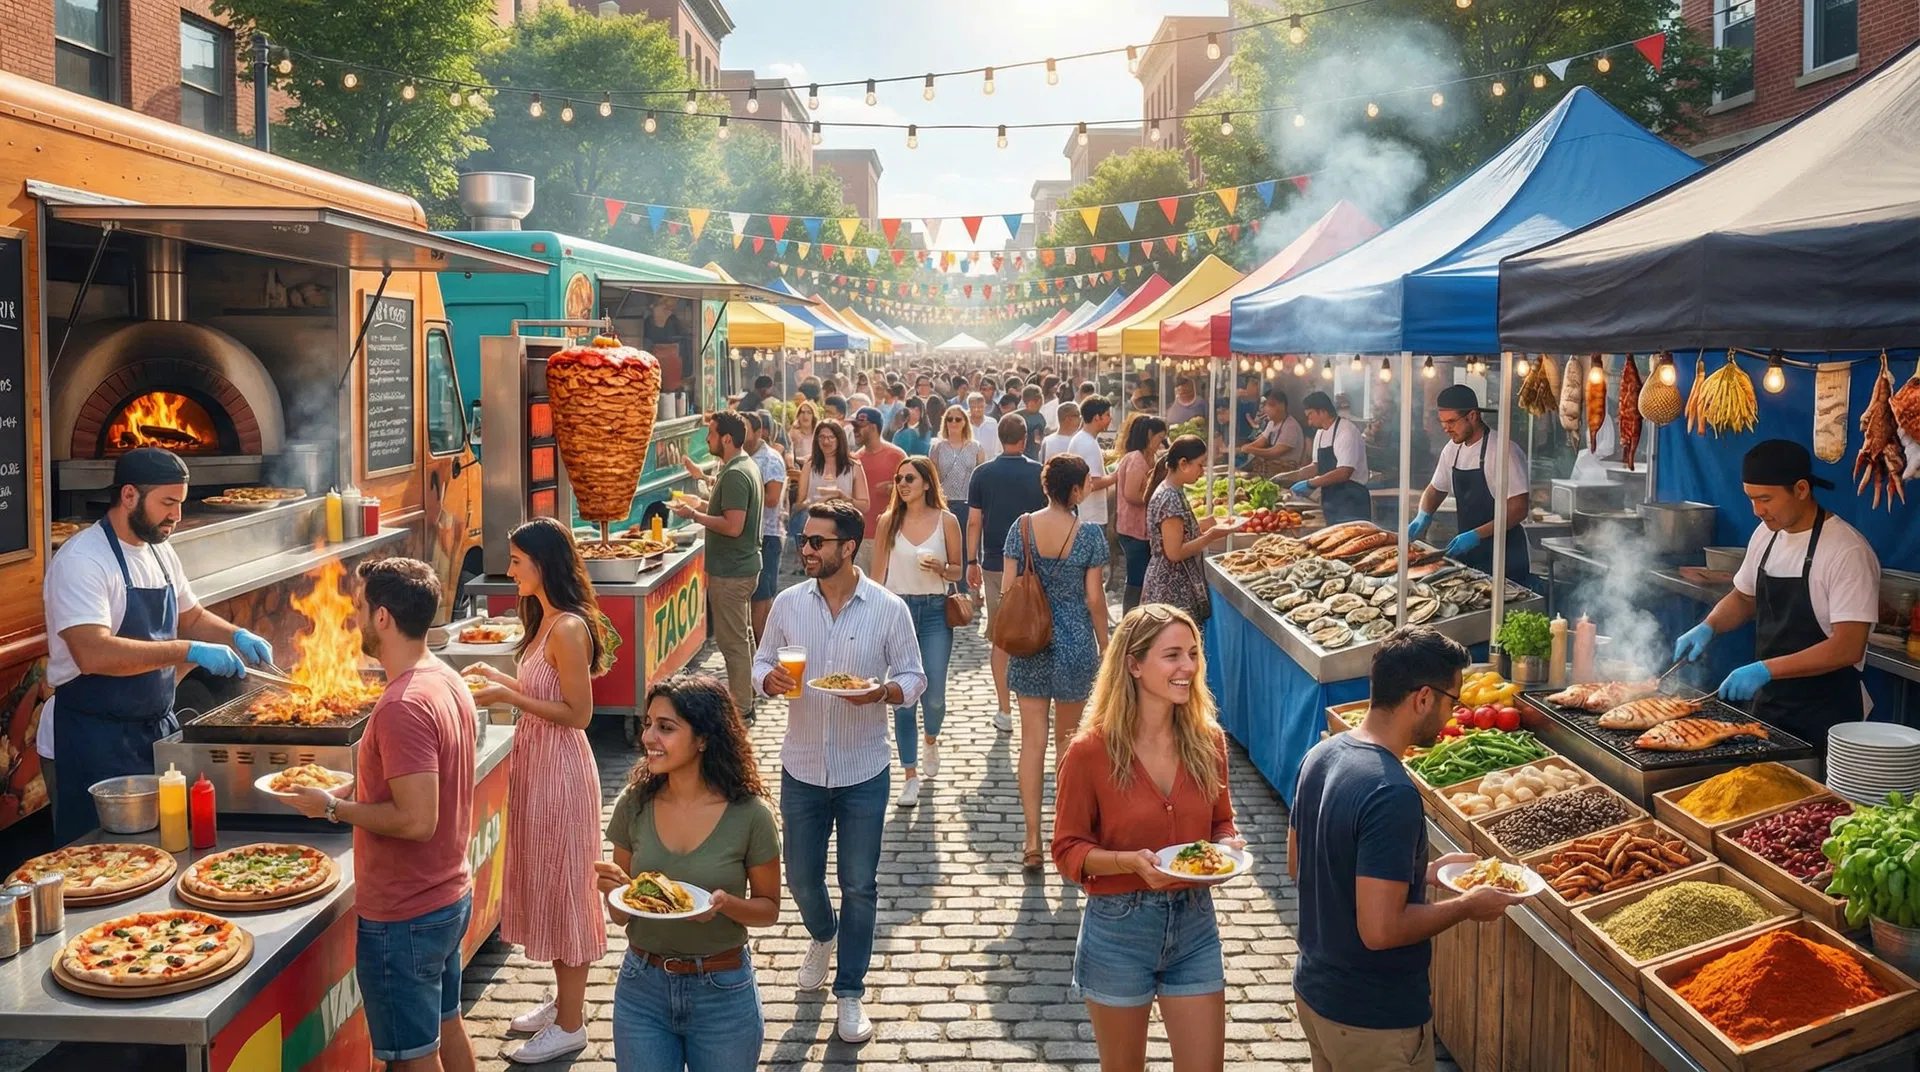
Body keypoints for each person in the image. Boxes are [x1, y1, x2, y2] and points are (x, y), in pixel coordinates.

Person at [1291, 626, 1524, 1071]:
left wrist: (1420, 873)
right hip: (1372, 1021)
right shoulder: (1391, 791)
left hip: (1316, 996)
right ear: (1422, 698)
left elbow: (1299, 863)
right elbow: (1380, 930)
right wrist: (1468, 906)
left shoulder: (1322, 754)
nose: (1453, 711)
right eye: (1452, 701)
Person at [285, 559, 478, 1072]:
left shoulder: (402, 704)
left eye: (363, 607)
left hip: (406, 913)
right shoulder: (445, 679)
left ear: (386, 618)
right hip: (447, 894)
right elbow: (430, 777)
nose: (355, 618)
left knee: (411, 1061)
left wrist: (331, 807)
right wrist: (359, 785)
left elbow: (418, 820)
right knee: (447, 1024)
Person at [752, 500, 926, 1044]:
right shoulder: (787, 604)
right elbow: (761, 662)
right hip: (801, 766)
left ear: (848, 548)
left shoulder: (888, 608)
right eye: (804, 540)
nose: (805, 549)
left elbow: (914, 678)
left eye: (816, 542)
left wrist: (883, 692)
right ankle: (822, 936)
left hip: (863, 769)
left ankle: (850, 992)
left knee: (860, 885)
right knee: (800, 878)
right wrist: (768, 681)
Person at [45, 447, 271, 841]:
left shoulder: (160, 550)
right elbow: (93, 652)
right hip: (93, 739)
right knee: (100, 861)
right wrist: (186, 651)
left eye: (181, 504)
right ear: (129, 495)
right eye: (168, 503)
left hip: (155, 732)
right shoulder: (82, 560)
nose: (177, 516)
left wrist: (234, 635)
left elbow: (192, 616)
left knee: (164, 848)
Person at [1053, 604, 1240, 1071]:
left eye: (1193, 654)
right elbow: (1068, 849)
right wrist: (1128, 863)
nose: (1188, 667)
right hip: (1118, 930)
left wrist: (1225, 847)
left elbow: (1222, 821)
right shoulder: (1089, 751)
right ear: (1134, 664)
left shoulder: (1208, 739)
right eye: (1172, 655)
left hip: (1195, 925)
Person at [466, 519, 608, 1064]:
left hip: (561, 774)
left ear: (544, 564)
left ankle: (571, 1024)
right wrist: (502, 683)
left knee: (568, 892)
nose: (508, 569)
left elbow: (579, 713)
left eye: (518, 561)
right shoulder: (544, 622)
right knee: (550, 884)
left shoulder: (568, 627)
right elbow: (540, 690)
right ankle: (563, 1003)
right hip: (539, 769)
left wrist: (509, 698)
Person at [596, 675, 782, 1072]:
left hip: (723, 992)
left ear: (704, 739)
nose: (649, 737)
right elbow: (622, 913)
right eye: (648, 723)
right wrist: (614, 890)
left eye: (666, 727)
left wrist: (726, 905)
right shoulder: (634, 803)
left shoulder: (750, 815)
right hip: (642, 987)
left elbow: (768, 910)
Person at [1672, 439, 1880, 746]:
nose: (1757, 511)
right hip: (1770, 707)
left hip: (1825, 717)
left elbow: (1848, 647)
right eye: (1751, 499)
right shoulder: (1766, 535)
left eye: (1765, 499)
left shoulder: (1847, 551)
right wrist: (1709, 626)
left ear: (1800, 489)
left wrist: (1764, 669)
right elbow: (1744, 597)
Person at [1004, 455, 1110, 871]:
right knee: (1068, 743)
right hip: (1073, 643)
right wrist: (1106, 643)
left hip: (1030, 641)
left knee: (1032, 742)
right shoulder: (1088, 536)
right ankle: (1066, 834)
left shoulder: (1022, 527)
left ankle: (1031, 839)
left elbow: (1011, 588)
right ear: (1077, 489)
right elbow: (1095, 599)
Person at [869, 457, 964, 808]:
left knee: (934, 694)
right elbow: (877, 576)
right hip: (898, 613)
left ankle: (931, 739)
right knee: (902, 699)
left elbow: (958, 572)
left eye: (909, 478)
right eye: (898, 479)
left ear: (927, 482)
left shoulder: (947, 521)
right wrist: (871, 619)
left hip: (936, 612)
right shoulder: (887, 522)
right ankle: (909, 776)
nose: (902, 483)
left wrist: (943, 567)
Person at [670, 412, 762, 716]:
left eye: (710, 433)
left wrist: (693, 516)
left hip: (732, 572)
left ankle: (741, 708)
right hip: (741, 567)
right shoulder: (739, 466)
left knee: (732, 642)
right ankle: (747, 693)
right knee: (742, 636)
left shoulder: (736, 472)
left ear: (726, 438)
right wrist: (701, 499)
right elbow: (728, 506)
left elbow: (733, 525)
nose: (706, 439)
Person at [967, 414, 1048, 736]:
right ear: (1025, 437)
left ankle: (1004, 709)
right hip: (1036, 565)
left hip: (996, 563)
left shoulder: (983, 473)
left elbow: (974, 521)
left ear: (999, 437)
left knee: (1001, 637)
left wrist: (971, 560)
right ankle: (1036, 702)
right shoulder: (1039, 473)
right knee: (1038, 631)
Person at [1404, 384, 1531, 583]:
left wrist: (1476, 535)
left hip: (1505, 554)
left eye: (1452, 421)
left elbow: (1519, 509)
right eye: (1443, 422)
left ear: (1472, 416)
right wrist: (1423, 514)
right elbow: (1435, 489)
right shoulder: (1452, 449)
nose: (1446, 428)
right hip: (1469, 552)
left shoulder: (1503, 451)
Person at [1144, 436, 1234, 622]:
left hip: (1173, 584)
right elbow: (1175, 552)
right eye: (1200, 465)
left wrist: (1206, 523)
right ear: (1183, 464)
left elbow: (1177, 532)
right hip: (1172, 588)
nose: (1202, 472)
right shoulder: (1170, 497)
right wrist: (1210, 536)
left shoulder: (1173, 490)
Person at [929, 404, 990, 589]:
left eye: (958, 419)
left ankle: (970, 589)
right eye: (950, 419)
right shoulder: (937, 447)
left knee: (970, 549)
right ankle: (949, 591)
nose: (953, 422)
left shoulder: (976, 447)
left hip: (969, 504)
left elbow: (982, 479)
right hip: (945, 504)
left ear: (965, 422)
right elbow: (932, 477)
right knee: (946, 549)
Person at [1290, 391, 1373, 524]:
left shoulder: (1346, 431)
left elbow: (1344, 472)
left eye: (1310, 415)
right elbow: (1316, 466)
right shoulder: (1320, 433)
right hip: (1331, 499)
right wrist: (1292, 476)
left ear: (1322, 412)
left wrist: (1310, 484)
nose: (1309, 421)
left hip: (1352, 500)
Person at [742, 412, 789, 643]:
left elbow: (772, 499)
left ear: (759, 432)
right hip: (744, 535)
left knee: (762, 596)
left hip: (766, 535)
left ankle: (763, 649)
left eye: (745, 429)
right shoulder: (739, 457)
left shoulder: (770, 459)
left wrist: (742, 490)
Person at [1114, 415, 1168, 615]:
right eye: (1159, 438)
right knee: (1136, 578)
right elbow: (1131, 495)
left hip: (1143, 529)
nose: (1160, 443)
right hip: (1133, 530)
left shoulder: (1150, 457)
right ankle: (1130, 619)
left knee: (1143, 577)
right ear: (1149, 434)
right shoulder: (1136, 459)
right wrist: (1156, 494)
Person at [850, 407, 906, 571]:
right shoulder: (854, 460)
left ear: (873, 427)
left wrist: (893, 488)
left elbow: (914, 491)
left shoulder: (897, 455)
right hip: (860, 537)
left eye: (859, 426)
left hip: (890, 535)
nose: (855, 431)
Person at [1067, 396, 1117, 534]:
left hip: (1086, 514)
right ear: (1097, 417)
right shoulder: (1088, 443)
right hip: (1092, 517)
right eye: (1107, 415)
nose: (1110, 419)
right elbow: (1093, 483)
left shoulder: (1083, 439)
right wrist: (1117, 475)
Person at [1241, 389, 1304, 471]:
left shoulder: (1291, 427)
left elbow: (1273, 453)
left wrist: (1250, 450)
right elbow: (1262, 441)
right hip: (1269, 469)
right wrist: (1245, 448)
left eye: (1266, 405)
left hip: (1285, 472)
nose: (1264, 410)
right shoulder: (1271, 423)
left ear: (1279, 406)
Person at [1019, 384, 1048, 459]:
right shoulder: (1038, 418)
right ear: (1032, 402)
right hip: (1032, 457)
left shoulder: (1015, 415)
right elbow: (1037, 440)